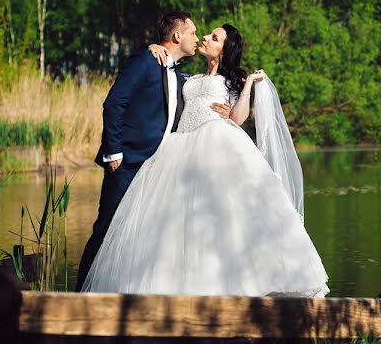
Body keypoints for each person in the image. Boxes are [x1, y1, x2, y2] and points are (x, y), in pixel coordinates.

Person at [80, 24, 329, 297]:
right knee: (174, 224)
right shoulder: (187, 77)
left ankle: (238, 285)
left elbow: (237, 118)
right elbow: (168, 78)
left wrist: (246, 86)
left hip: (215, 145)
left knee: (221, 217)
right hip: (178, 150)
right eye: (206, 34)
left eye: (214, 37)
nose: (205, 39)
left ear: (224, 50)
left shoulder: (230, 80)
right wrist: (154, 47)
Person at [74, 11, 229, 291]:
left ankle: (122, 294)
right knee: (107, 230)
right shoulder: (146, 61)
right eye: (193, 33)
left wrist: (227, 112)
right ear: (177, 36)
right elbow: (114, 104)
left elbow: (198, 101)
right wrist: (114, 153)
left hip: (157, 169)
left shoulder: (181, 79)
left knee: (138, 238)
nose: (197, 38)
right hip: (127, 163)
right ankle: (79, 298)